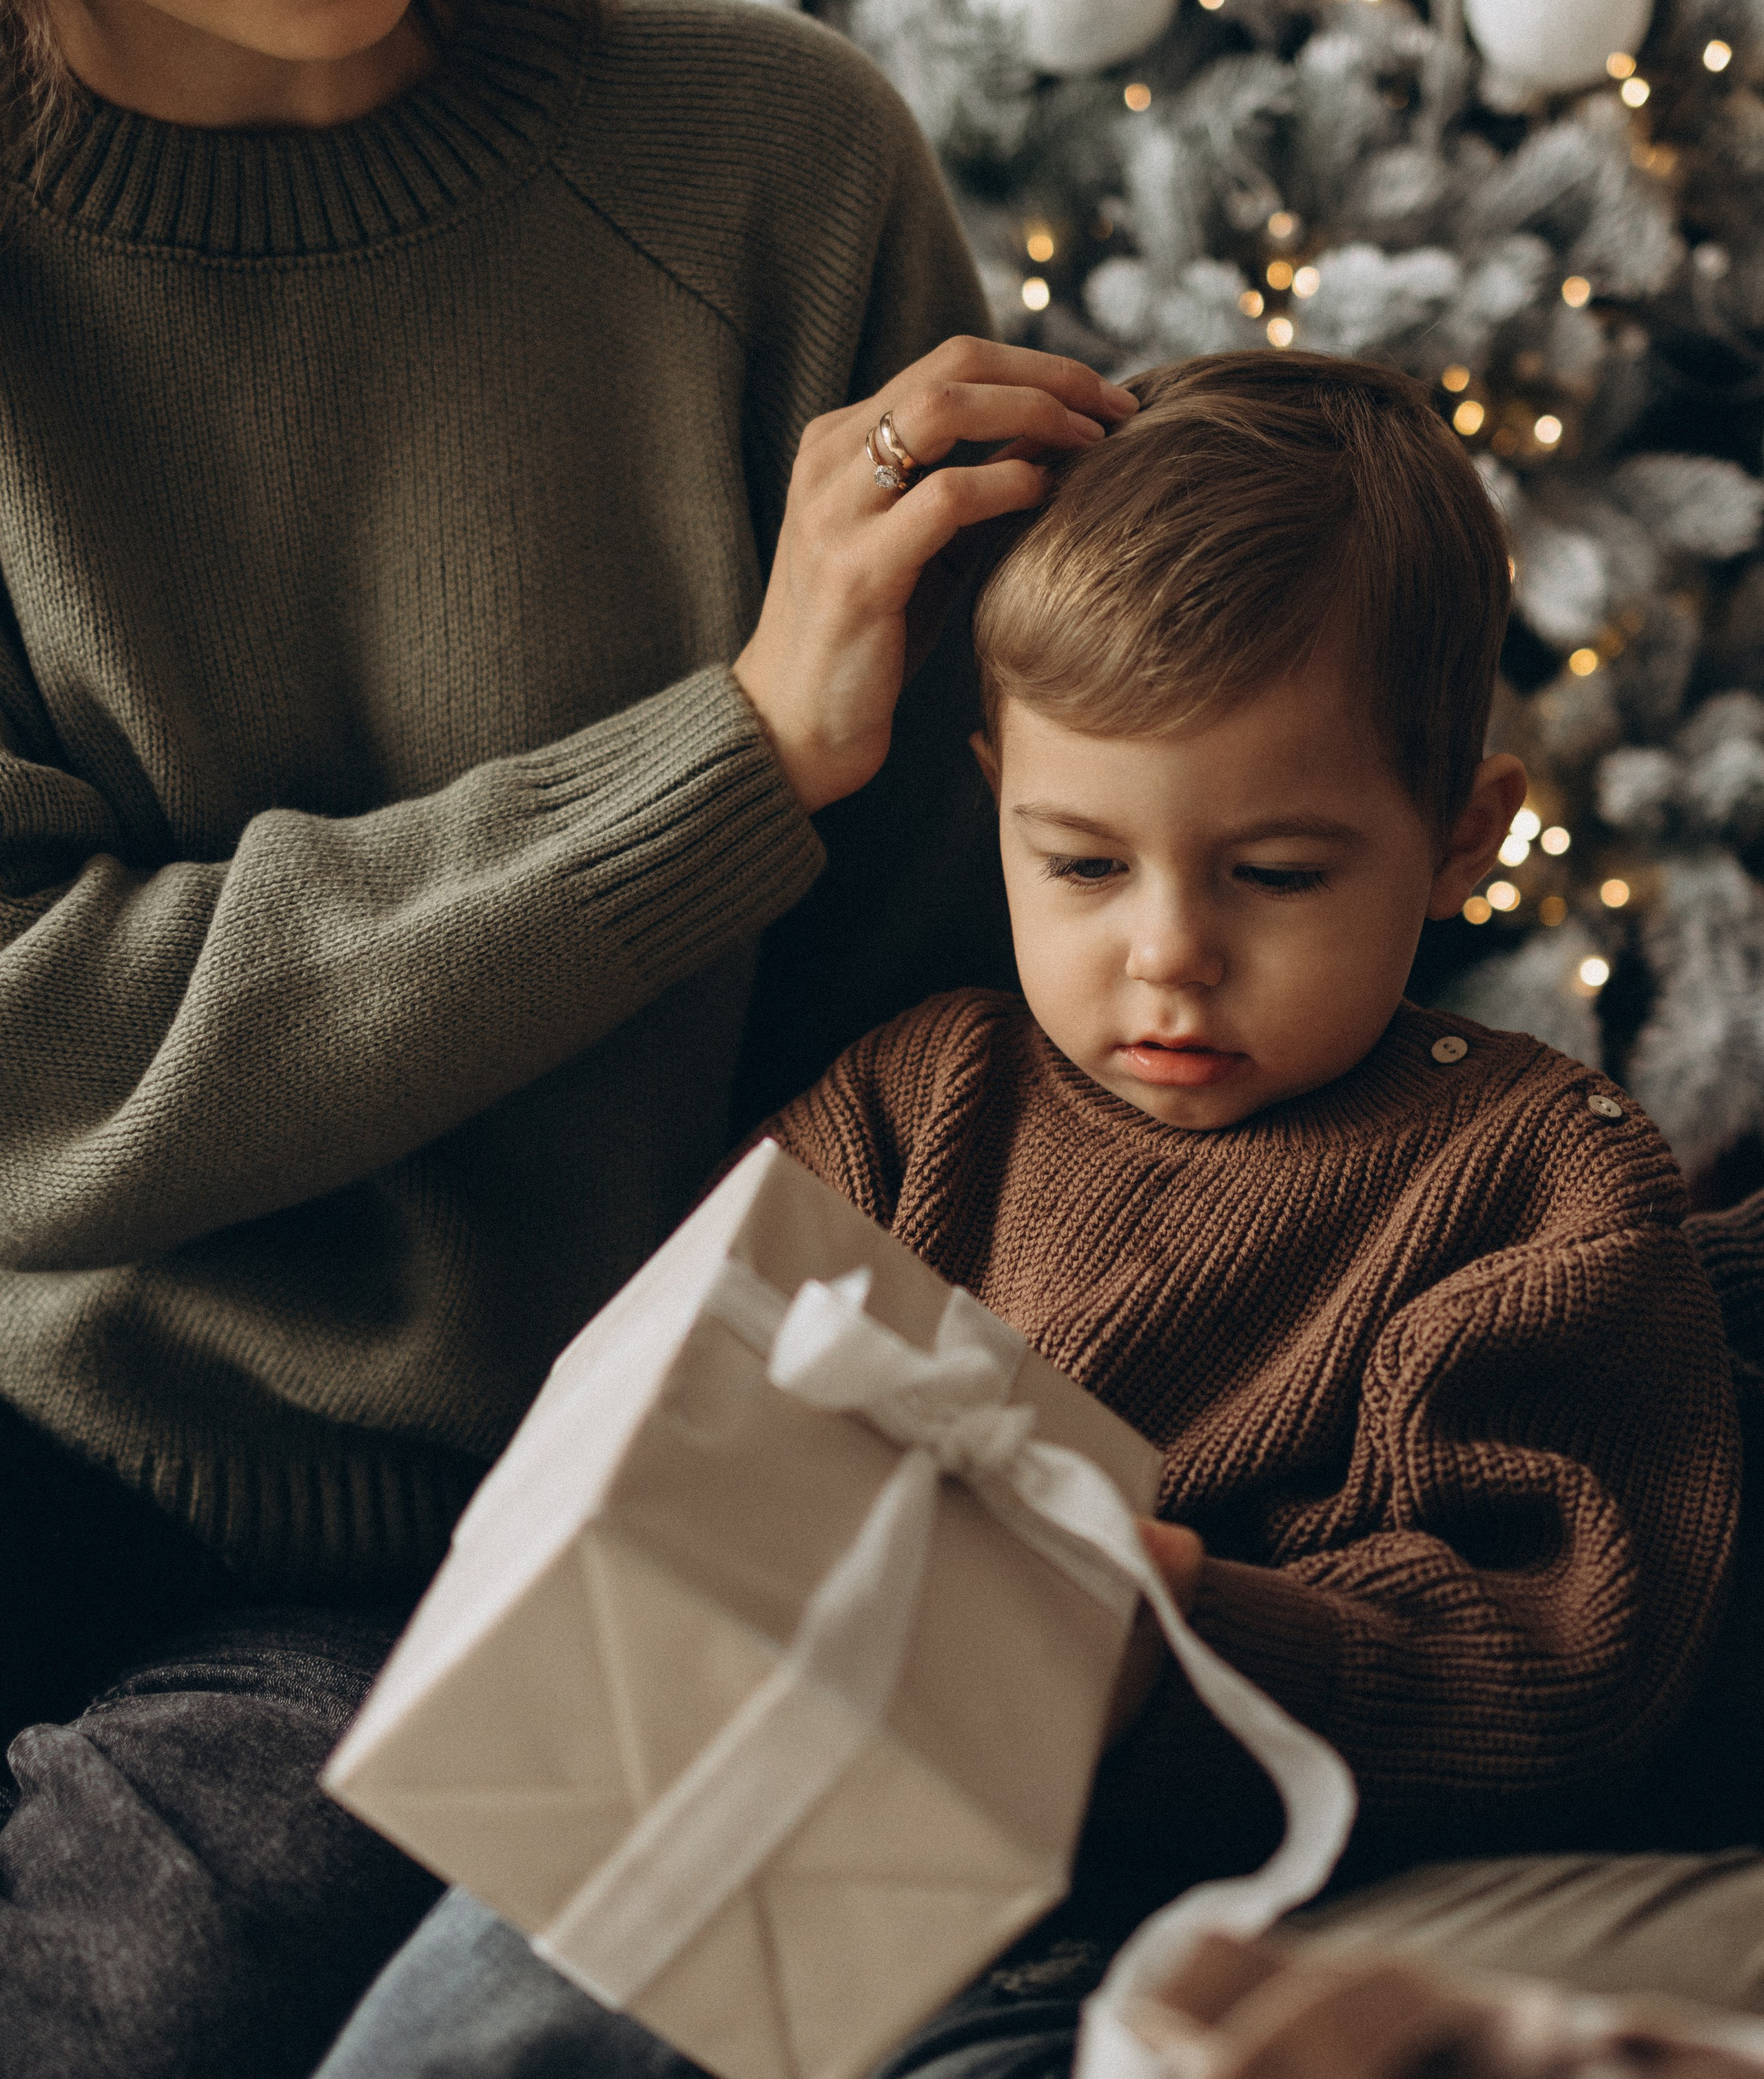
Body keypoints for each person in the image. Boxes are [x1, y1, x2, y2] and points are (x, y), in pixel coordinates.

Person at [0, 0, 1136, 2071]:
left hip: (659, 1508)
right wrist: (719, 762)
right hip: (67, 1480)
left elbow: (968, 1041)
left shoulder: (770, 171)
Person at [318, 352, 1741, 2078]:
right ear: (993, 790)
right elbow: (691, 1390)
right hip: (768, 1802)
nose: (1166, 953)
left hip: (1149, 1921)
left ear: (1460, 837)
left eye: (1274, 873)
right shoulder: (926, 1092)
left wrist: (1184, 1633)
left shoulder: (1538, 1179)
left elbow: (1565, 1653)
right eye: (1079, 862)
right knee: (494, 1966)